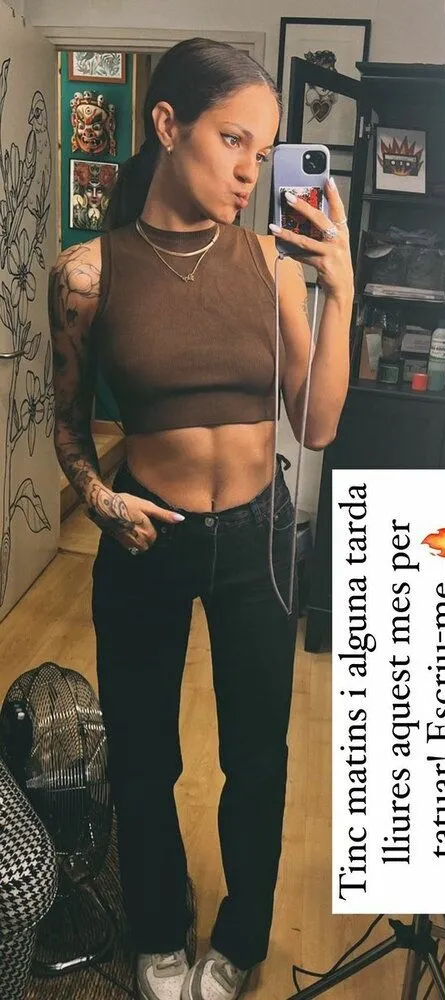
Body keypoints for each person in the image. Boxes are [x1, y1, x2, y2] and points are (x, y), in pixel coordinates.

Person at [48, 37, 353, 1000]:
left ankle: (242, 935)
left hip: (257, 538)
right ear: (167, 125)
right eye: (232, 140)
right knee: (144, 758)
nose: (250, 170)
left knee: (257, 758)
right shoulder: (88, 274)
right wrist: (101, 501)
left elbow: (316, 423)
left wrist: (340, 293)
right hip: (146, 537)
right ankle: (156, 929)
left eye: (263, 150)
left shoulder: (271, 263)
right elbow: (65, 428)